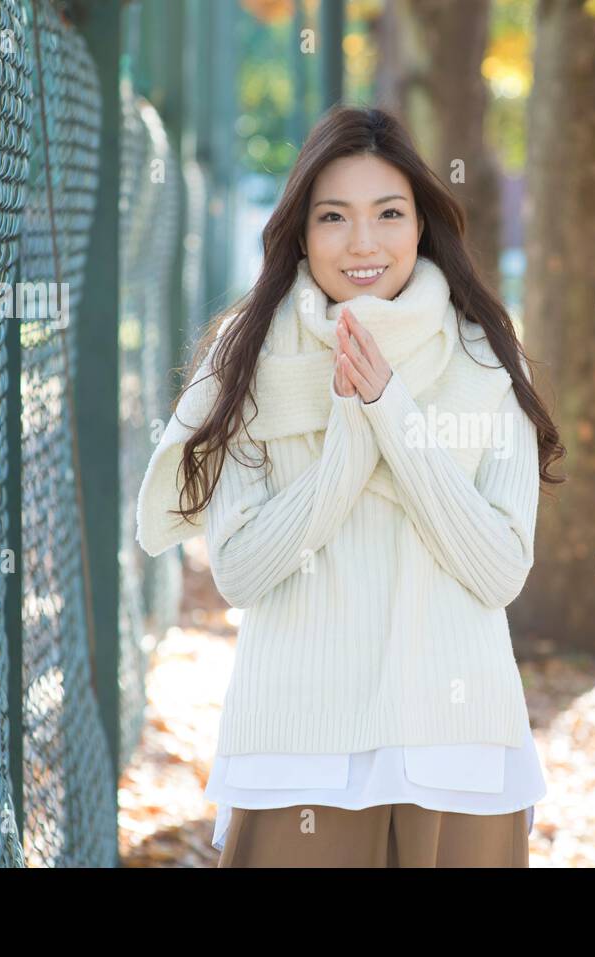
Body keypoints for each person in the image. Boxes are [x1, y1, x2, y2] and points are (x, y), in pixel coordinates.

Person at [135, 105, 565, 867]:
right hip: (296, 746)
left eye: (388, 213)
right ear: (300, 231)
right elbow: (240, 569)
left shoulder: (484, 353)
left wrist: (388, 408)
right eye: (334, 216)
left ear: (422, 225)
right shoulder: (244, 360)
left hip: (457, 746)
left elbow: (498, 566)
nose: (363, 242)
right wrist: (347, 446)